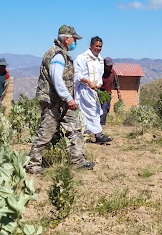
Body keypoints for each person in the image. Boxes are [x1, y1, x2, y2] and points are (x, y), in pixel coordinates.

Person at [26, 25, 94, 174]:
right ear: (67, 39)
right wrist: (69, 98)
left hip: (63, 102)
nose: (75, 42)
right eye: (74, 39)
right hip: (54, 102)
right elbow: (57, 79)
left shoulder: (61, 54)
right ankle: (33, 165)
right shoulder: (57, 55)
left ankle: (78, 161)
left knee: (75, 129)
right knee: (46, 132)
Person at [75, 36, 112, 144]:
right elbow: (77, 74)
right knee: (92, 111)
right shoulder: (82, 58)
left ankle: (86, 133)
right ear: (91, 46)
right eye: (96, 46)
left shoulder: (99, 59)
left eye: (100, 46)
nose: (98, 48)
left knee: (93, 111)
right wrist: (88, 82)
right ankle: (98, 134)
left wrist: (98, 83)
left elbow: (99, 74)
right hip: (84, 89)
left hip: (94, 90)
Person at [100, 57, 121, 125]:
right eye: (109, 66)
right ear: (104, 65)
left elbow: (116, 82)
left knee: (107, 108)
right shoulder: (100, 72)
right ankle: (101, 124)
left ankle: (101, 122)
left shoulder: (113, 72)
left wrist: (118, 92)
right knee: (104, 109)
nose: (110, 67)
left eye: (111, 65)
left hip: (108, 94)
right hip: (100, 93)